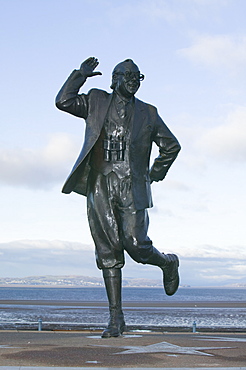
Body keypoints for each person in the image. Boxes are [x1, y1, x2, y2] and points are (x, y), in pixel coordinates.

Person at [56, 57, 181, 338]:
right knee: (108, 252)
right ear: (114, 79)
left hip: (132, 186)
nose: (133, 80)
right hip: (100, 183)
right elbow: (63, 101)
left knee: (136, 245)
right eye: (128, 75)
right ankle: (116, 319)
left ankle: (167, 262)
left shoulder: (148, 113)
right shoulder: (96, 101)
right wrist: (80, 75)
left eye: (138, 76)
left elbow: (171, 146)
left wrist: (154, 174)